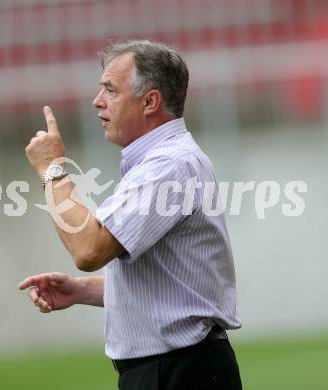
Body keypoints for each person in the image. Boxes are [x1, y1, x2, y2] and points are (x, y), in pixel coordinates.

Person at [18, 40, 242, 389]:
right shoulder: (165, 161)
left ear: (150, 101)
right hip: (177, 368)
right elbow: (169, 288)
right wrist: (81, 292)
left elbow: (88, 250)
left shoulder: (167, 165)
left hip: (179, 371)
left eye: (110, 89)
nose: (97, 101)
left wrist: (53, 168)